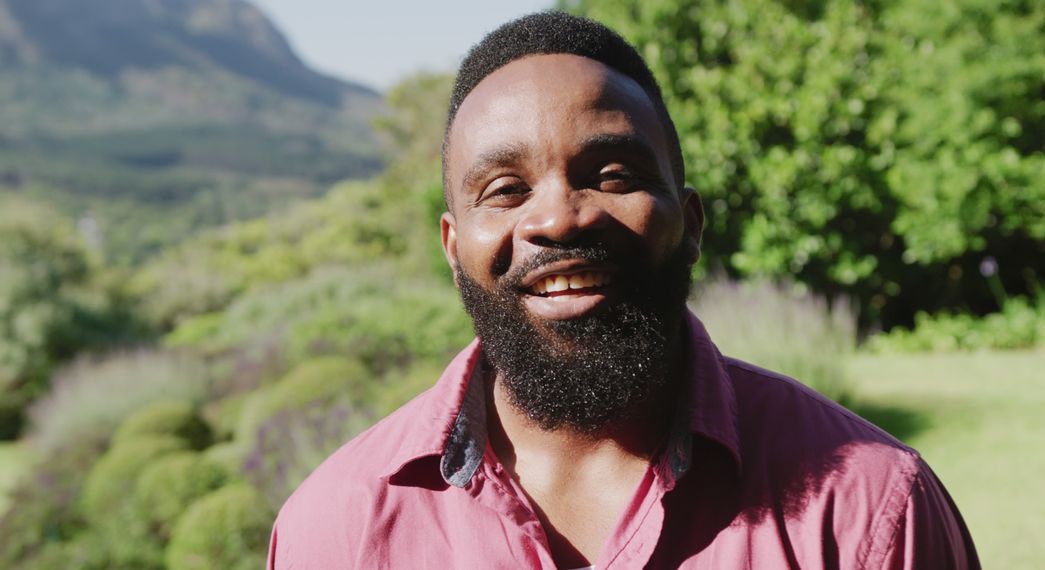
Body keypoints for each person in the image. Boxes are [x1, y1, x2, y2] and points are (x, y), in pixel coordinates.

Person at [267, 11, 979, 569]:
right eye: (505, 189)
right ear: (455, 250)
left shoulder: (870, 508)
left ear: (690, 222)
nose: (557, 218)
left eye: (612, 176)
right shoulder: (335, 529)